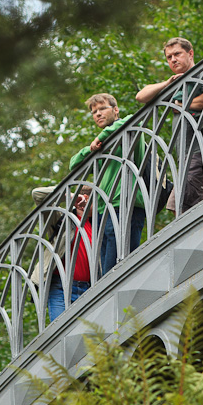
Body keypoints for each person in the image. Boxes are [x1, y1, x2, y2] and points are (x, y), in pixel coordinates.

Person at [69, 94, 145, 276]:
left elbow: (133, 119)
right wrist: (90, 149)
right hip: (104, 208)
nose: (98, 114)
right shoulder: (99, 145)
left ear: (115, 109)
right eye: (94, 112)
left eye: (102, 109)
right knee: (106, 266)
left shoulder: (129, 126)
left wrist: (100, 138)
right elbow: (74, 165)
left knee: (122, 265)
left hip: (127, 201)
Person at [136, 37, 203, 213]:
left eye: (177, 54)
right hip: (184, 152)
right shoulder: (175, 83)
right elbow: (141, 96)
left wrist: (180, 104)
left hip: (201, 147)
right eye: (169, 57)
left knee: (180, 203)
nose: (173, 59)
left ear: (190, 53)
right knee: (188, 202)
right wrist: (168, 83)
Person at [46, 189, 93, 321]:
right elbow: (38, 195)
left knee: (83, 338)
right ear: (84, 199)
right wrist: (72, 196)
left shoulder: (98, 226)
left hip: (87, 289)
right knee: (60, 334)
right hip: (60, 287)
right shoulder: (63, 219)